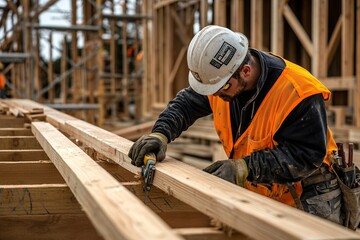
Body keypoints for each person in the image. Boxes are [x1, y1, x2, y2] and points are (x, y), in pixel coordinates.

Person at [128, 25, 342, 224]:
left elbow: (305, 155)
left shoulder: (297, 92)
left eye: (221, 88)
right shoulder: (223, 81)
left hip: (311, 193)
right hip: (265, 189)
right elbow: (186, 104)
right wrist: (160, 134)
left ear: (246, 71)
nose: (214, 96)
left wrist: (244, 167)